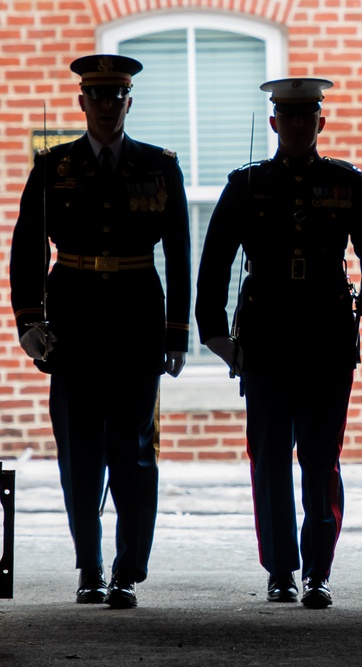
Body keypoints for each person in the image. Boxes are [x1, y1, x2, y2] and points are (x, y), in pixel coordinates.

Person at [195, 77, 362, 609]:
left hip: (326, 335)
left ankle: (318, 571)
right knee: (271, 457)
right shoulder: (248, 185)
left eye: (309, 117)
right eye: (289, 117)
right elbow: (214, 262)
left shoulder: (346, 183)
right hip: (267, 338)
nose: (299, 125)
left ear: (320, 123)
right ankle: (281, 569)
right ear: (275, 122)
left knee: (321, 459)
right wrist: (213, 332)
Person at [9, 54, 192, 608]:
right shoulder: (54, 167)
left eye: (117, 97)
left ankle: (127, 571)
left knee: (134, 451)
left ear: (128, 103)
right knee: (79, 450)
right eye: (98, 96)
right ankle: (89, 565)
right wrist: (29, 323)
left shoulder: (159, 166)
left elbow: (181, 252)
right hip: (75, 322)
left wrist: (177, 331)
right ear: (81, 102)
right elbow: (26, 250)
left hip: (137, 320)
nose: (107, 106)